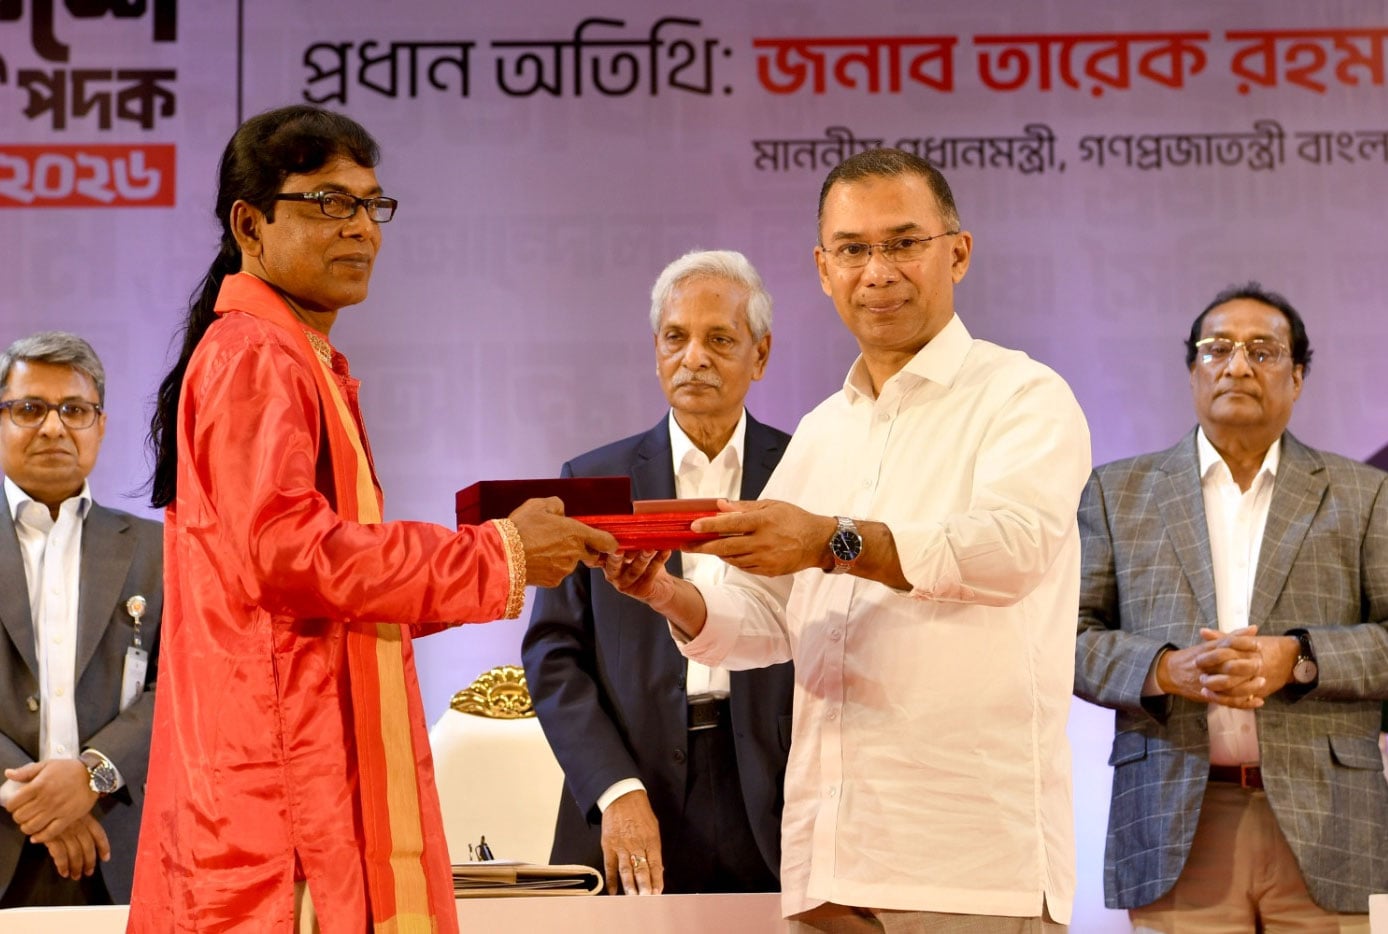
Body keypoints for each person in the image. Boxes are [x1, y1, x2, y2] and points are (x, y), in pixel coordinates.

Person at [127, 104, 615, 933]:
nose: (360, 227)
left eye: (370, 204)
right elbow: (291, 557)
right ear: (250, 224)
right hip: (281, 799)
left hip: (297, 771)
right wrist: (496, 556)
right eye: (328, 202)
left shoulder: (292, 354)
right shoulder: (255, 355)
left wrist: (509, 555)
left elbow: (327, 592)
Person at [604, 149, 1091, 931]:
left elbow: (1008, 551)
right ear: (823, 270)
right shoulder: (824, 430)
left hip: (968, 867)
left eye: (904, 244)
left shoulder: (1023, 397)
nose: (878, 272)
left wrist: (833, 540)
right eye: (853, 250)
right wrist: (667, 593)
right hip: (827, 864)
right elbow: (768, 616)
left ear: (958, 253)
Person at [1074, 283, 1388, 931]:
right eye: (1216, 349)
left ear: (1297, 377)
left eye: (1262, 351)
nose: (1237, 366)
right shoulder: (1117, 492)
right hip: (1176, 819)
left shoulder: (1366, 495)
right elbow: (1065, 639)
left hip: (1332, 820)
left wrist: (1299, 659)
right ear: (1193, 370)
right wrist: (1165, 671)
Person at [522, 249, 794, 896]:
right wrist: (615, 789)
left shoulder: (803, 471)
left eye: (719, 339)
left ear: (760, 355)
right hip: (633, 789)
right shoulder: (593, 483)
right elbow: (554, 654)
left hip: (778, 800)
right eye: (676, 337)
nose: (693, 358)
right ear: (655, 351)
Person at [0, 332, 162, 907]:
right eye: (29, 408)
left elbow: (187, 683)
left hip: (118, 850)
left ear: (101, 425)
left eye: (74, 410)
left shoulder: (158, 551)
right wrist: (30, 796)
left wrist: (94, 773)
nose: (53, 427)